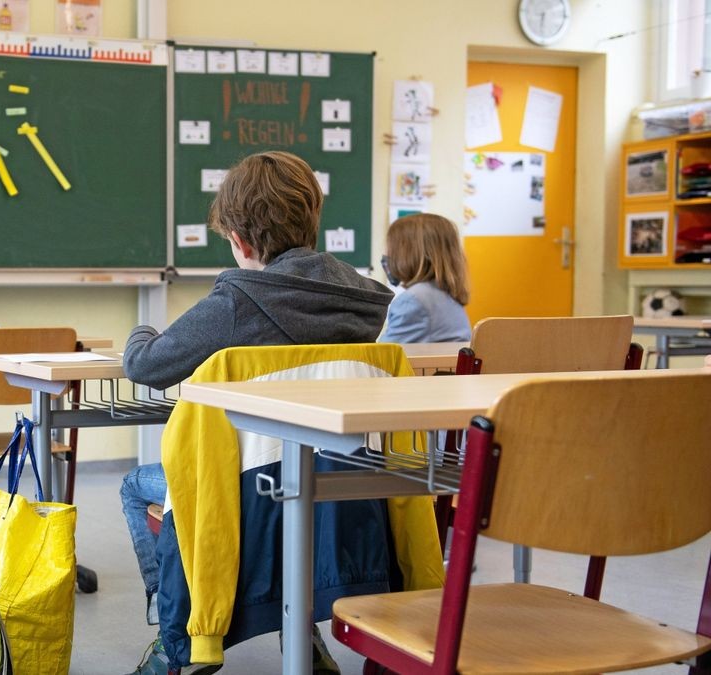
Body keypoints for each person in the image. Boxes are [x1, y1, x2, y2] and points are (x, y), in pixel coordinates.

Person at [119, 151, 394, 674]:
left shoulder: (240, 301)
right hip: (345, 492)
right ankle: (300, 629)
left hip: (243, 496)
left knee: (136, 486)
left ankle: (175, 633)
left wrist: (141, 330)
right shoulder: (365, 305)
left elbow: (146, 366)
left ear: (240, 242)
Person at [379, 213, 472, 344]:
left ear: (408, 253)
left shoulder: (412, 301)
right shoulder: (446, 295)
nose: (387, 255)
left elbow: (383, 357)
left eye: (391, 248)